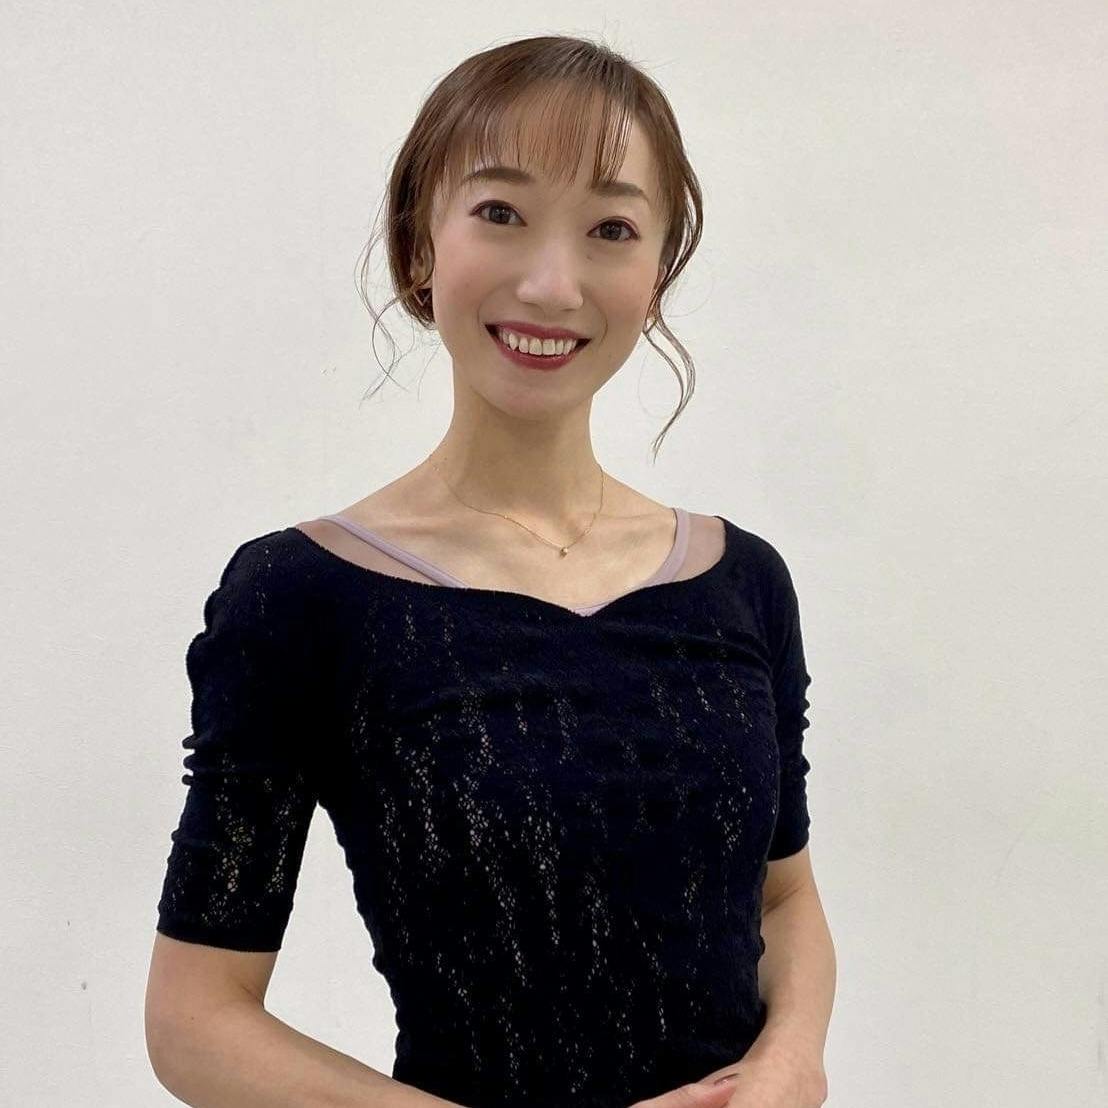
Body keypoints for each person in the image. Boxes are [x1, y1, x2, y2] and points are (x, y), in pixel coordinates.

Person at [146, 34, 834, 1108]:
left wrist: (791, 1063)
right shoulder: (302, 597)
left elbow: (783, 899)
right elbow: (195, 1019)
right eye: (501, 212)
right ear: (420, 243)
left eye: (611, 229)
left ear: (657, 273)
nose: (552, 284)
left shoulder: (740, 581)